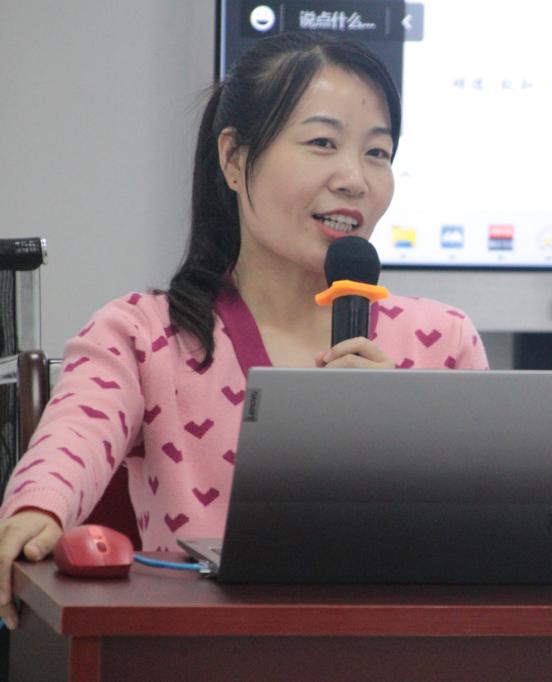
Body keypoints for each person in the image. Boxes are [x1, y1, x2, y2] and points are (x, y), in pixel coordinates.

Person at [0, 32, 488, 629]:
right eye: (322, 143)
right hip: (202, 652)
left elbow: (491, 537)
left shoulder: (445, 340)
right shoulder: (142, 334)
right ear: (233, 159)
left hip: (403, 652)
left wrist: (401, 440)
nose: (355, 179)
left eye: (377, 153)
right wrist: (36, 513)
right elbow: (72, 443)